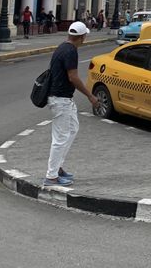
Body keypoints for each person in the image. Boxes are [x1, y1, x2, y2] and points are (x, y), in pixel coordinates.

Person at [43, 21, 99, 187]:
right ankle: (51, 176)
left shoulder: (63, 47)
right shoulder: (70, 51)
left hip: (63, 99)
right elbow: (73, 77)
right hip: (60, 100)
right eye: (85, 36)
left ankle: (58, 168)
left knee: (72, 129)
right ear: (81, 37)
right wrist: (90, 96)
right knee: (60, 139)